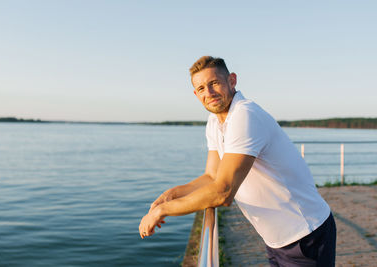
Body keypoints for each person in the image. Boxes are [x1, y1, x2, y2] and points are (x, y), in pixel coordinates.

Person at [139, 56, 336, 266]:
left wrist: (163, 211)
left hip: (305, 234)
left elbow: (223, 192)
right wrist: (172, 194)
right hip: (275, 239)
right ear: (196, 94)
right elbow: (212, 176)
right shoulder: (215, 122)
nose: (209, 93)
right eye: (202, 88)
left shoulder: (245, 115)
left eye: (214, 83)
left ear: (231, 80)